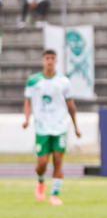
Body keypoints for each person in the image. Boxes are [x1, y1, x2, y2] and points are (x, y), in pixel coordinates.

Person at [23, 50, 81, 206]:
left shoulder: (63, 81)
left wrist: (76, 126)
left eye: (52, 59)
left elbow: (71, 106)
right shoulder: (33, 81)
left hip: (60, 126)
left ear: (55, 61)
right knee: (41, 163)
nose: (49, 61)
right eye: (47, 58)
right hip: (42, 127)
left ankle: (54, 195)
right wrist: (27, 118)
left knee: (57, 160)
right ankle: (41, 181)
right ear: (43, 61)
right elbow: (28, 101)